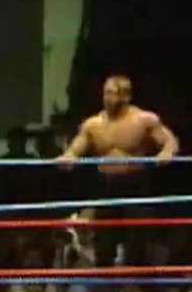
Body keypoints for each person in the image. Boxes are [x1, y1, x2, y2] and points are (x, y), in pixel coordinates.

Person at [56, 75, 180, 265]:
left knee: (138, 240)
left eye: (113, 93)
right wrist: (69, 155)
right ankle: (105, 279)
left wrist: (167, 152)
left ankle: (135, 277)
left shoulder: (144, 120)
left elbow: (170, 141)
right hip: (106, 185)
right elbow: (77, 147)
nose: (107, 98)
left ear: (126, 96)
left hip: (135, 183)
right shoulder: (93, 124)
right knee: (104, 241)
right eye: (106, 93)